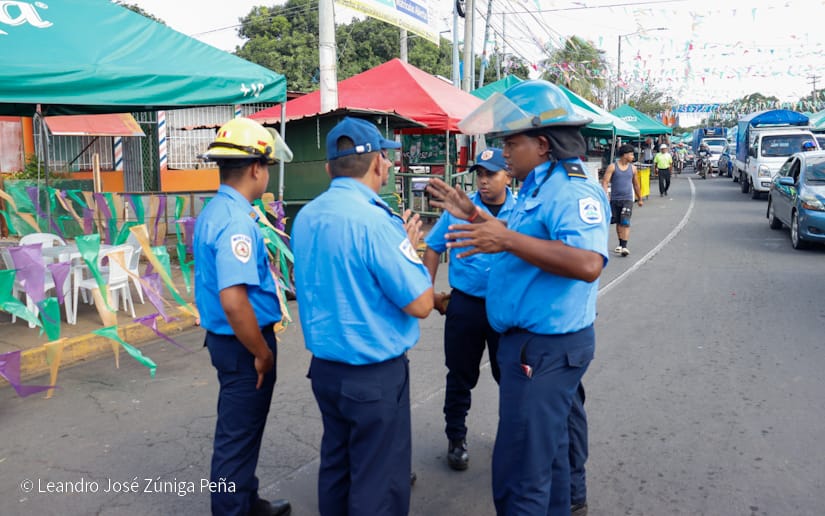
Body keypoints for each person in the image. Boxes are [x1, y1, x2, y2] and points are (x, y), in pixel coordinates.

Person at [426, 79, 610, 515]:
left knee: (520, 474)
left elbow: (588, 264)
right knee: (548, 461)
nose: (503, 152)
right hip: (526, 344)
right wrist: (471, 213)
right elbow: (513, 234)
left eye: (511, 142)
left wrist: (506, 242)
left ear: (543, 144)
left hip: (545, 348)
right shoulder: (534, 185)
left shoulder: (571, 188)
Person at [291, 117, 433, 515]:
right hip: (373, 377)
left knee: (338, 467)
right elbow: (420, 303)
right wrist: (409, 249)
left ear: (328, 168)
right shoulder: (377, 222)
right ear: (377, 164)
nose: (387, 166)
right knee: (379, 481)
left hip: (327, 370)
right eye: (385, 159)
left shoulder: (306, 217)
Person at [194, 117, 293, 516]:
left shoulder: (218, 209)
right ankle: (233, 509)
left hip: (229, 342)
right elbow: (234, 300)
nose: (267, 173)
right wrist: (262, 352)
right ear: (256, 168)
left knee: (243, 432)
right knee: (236, 441)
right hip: (242, 345)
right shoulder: (236, 221)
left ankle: (247, 502)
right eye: (267, 166)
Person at [422, 147, 516, 471]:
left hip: (506, 308)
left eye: (491, 173)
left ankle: (510, 436)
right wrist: (428, 292)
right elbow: (433, 248)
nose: (484, 181)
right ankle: (456, 437)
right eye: (480, 173)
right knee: (460, 375)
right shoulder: (459, 209)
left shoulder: (519, 212)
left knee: (511, 376)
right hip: (465, 306)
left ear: (508, 175)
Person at [601, 143, 643, 257]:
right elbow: (605, 181)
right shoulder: (612, 167)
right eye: (631, 154)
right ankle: (620, 244)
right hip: (615, 199)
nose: (633, 156)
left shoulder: (633, 168)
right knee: (618, 222)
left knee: (625, 222)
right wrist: (605, 195)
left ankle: (625, 246)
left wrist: (640, 198)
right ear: (625, 155)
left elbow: (636, 184)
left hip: (628, 199)